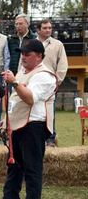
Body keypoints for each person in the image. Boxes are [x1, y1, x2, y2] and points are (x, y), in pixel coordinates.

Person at [0, 39, 56, 199]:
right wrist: (6, 120)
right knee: (13, 163)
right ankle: (10, 198)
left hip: (34, 125)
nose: (23, 58)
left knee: (32, 166)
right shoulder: (22, 72)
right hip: (17, 123)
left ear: (39, 56)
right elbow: (13, 98)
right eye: (22, 54)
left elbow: (29, 98)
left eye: (27, 54)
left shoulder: (44, 76)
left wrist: (14, 82)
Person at [36, 19, 68, 147]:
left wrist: (57, 82)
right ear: (38, 30)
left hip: (50, 84)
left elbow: (63, 65)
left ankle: (50, 138)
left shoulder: (58, 45)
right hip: (34, 84)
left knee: (50, 112)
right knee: (35, 112)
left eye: (50, 28)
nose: (48, 30)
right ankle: (37, 137)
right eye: (45, 28)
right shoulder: (32, 43)